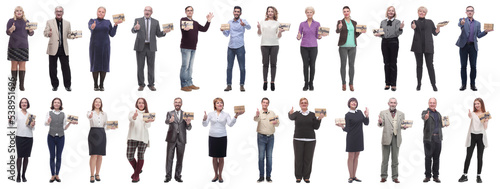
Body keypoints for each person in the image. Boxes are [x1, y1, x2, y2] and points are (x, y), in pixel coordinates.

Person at [202, 97, 243, 183]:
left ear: (223, 105)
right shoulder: (210, 114)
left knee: (221, 158)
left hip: (222, 137)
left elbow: (230, 124)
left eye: (221, 103)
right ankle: (215, 175)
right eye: (217, 103)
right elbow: (205, 125)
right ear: (214, 105)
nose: (220, 104)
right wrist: (204, 119)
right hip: (212, 137)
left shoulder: (226, 114)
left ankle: (220, 175)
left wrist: (236, 116)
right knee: (214, 158)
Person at [132, 6, 170, 91]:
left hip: (151, 47)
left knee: (151, 66)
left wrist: (164, 32)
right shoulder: (138, 20)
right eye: (146, 10)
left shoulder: (156, 22)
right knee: (140, 67)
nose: (147, 12)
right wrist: (135, 28)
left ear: (151, 12)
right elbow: (132, 31)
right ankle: (141, 84)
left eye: (149, 10)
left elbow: (158, 34)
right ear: (143, 11)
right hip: (140, 47)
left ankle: (151, 84)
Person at [456, 6, 492, 91]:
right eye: (468, 11)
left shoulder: (477, 23)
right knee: (463, 66)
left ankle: (473, 85)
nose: (469, 12)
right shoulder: (462, 20)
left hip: (473, 47)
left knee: (473, 66)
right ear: (466, 12)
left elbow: (478, 35)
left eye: (471, 11)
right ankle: (463, 85)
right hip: (463, 46)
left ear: (473, 12)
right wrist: (462, 22)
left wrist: (486, 31)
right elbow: (459, 24)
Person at [288, 98, 324, 183]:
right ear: (300, 104)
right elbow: (291, 117)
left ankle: (306, 176)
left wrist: (319, 119)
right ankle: (298, 176)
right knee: (298, 159)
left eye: (305, 103)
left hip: (310, 140)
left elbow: (316, 127)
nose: (304, 104)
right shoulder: (296, 113)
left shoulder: (312, 114)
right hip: (298, 139)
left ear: (308, 104)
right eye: (302, 103)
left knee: (308, 159)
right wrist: (290, 113)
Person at [179, 6, 214, 92]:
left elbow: (204, 29)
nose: (190, 12)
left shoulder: (195, 23)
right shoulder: (183, 20)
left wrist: (208, 20)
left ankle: (190, 83)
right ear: (185, 12)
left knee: (190, 67)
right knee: (185, 66)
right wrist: (184, 28)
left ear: (193, 12)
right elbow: (182, 27)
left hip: (193, 47)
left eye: (191, 10)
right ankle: (184, 85)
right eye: (188, 10)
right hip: (185, 47)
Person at [336, 97, 369, 183]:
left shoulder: (360, 112)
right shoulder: (347, 115)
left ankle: (354, 176)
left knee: (357, 156)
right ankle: (350, 176)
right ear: (349, 104)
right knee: (351, 156)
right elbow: (347, 129)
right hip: (351, 137)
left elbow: (366, 123)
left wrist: (367, 115)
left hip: (359, 137)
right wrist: (342, 127)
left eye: (355, 102)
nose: (354, 103)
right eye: (352, 102)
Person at [88, 6, 122, 91]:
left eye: (103, 12)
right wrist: (92, 26)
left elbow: (112, 34)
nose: (101, 13)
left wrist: (115, 25)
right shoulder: (92, 20)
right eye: (99, 11)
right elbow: (90, 27)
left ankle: (102, 84)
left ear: (105, 13)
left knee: (104, 64)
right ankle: (95, 84)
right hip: (94, 46)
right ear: (97, 12)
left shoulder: (107, 22)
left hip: (105, 47)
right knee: (95, 65)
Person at [45, 97, 77, 182]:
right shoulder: (49, 113)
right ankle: (52, 175)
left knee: (59, 156)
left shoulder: (63, 114)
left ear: (60, 104)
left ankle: (57, 175)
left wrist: (70, 123)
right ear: (52, 104)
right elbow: (46, 124)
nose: (56, 104)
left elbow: (64, 128)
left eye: (58, 102)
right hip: (51, 137)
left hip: (61, 137)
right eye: (55, 102)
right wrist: (48, 121)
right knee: (52, 156)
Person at [43, 6, 75, 92]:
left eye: (60, 11)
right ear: (55, 12)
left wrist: (73, 36)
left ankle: (67, 85)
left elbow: (68, 34)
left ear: (63, 13)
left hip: (63, 48)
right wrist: (48, 33)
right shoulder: (49, 22)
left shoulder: (67, 23)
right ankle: (55, 85)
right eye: (57, 11)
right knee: (53, 68)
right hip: (53, 48)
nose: (59, 13)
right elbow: (45, 33)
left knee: (66, 68)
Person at [411, 6, 442, 92]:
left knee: (430, 66)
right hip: (418, 47)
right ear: (418, 12)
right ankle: (419, 84)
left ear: (425, 13)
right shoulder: (414, 21)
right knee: (419, 66)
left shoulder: (430, 22)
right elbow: (413, 27)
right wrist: (413, 26)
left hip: (428, 46)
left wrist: (438, 27)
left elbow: (435, 33)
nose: (421, 13)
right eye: (420, 11)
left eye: (423, 12)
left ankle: (434, 85)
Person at [458, 98, 489, 183]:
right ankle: (465, 175)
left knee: (480, 157)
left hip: (481, 137)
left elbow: (485, 128)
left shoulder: (485, 114)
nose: (476, 105)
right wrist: (469, 115)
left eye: (478, 103)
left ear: (481, 104)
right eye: (475, 104)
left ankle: (478, 176)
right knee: (468, 156)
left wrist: (486, 121)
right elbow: (470, 116)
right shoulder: (472, 113)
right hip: (472, 136)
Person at [297, 7, 326, 91]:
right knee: (305, 65)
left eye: (310, 12)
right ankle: (306, 83)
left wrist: (321, 36)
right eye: (307, 12)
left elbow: (318, 36)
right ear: (305, 13)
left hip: (313, 47)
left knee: (312, 65)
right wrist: (298, 37)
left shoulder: (317, 24)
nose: (309, 14)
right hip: (304, 47)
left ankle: (311, 83)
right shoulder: (302, 24)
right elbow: (299, 35)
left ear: (313, 13)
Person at [336, 6, 365, 92]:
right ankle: (343, 83)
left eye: (347, 11)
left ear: (350, 12)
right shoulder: (340, 21)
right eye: (344, 11)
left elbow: (355, 35)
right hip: (343, 46)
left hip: (353, 46)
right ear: (343, 13)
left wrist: (361, 32)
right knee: (343, 65)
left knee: (351, 65)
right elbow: (337, 31)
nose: (346, 12)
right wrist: (340, 27)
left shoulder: (354, 22)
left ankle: (351, 83)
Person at [222, 6, 250, 92]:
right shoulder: (229, 22)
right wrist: (223, 30)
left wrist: (244, 25)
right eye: (235, 11)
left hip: (240, 47)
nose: (236, 13)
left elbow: (249, 27)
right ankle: (229, 85)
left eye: (238, 12)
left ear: (240, 13)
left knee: (242, 67)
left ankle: (242, 85)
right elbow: (227, 34)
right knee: (229, 67)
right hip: (231, 47)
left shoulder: (243, 21)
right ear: (233, 12)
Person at [375, 6, 404, 91]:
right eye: (389, 11)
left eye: (392, 11)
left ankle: (394, 84)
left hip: (393, 42)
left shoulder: (397, 22)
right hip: (384, 42)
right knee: (386, 63)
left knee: (393, 63)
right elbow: (382, 33)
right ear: (387, 12)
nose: (391, 12)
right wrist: (378, 34)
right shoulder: (383, 22)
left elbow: (398, 33)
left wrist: (400, 28)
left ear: (394, 13)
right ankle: (387, 83)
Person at [377, 98, 406, 183]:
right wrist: (380, 122)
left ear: (396, 103)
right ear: (388, 103)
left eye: (394, 103)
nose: (393, 104)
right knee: (385, 159)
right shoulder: (383, 112)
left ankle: (395, 177)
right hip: (386, 138)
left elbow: (402, 125)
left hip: (396, 138)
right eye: (391, 103)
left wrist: (404, 127)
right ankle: (383, 176)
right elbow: (380, 125)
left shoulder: (401, 114)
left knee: (395, 159)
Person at [164, 97, 192, 183]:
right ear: (173, 103)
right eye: (176, 102)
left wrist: (188, 123)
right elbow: (166, 121)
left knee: (180, 159)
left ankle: (178, 176)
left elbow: (189, 128)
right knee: (169, 158)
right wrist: (170, 120)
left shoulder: (186, 114)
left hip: (181, 139)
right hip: (171, 138)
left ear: (181, 104)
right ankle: (168, 176)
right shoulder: (169, 113)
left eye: (179, 102)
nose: (177, 104)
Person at [7, 6, 34, 91]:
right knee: (14, 65)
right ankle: (13, 85)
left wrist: (30, 31)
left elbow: (31, 34)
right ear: (15, 12)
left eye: (20, 11)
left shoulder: (27, 22)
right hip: (13, 45)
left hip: (23, 46)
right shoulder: (11, 21)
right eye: (17, 11)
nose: (19, 12)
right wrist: (11, 29)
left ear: (23, 12)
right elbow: (7, 32)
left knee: (22, 65)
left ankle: (21, 85)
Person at [127, 98, 154, 183]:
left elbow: (148, 126)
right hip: (132, 137)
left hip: (143, 137)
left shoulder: (147, 114)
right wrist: (134, 116)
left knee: (140, 156)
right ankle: (137, 170)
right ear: (137, 104)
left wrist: (148, 121)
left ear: (145, 104)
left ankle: (136, 175)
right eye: (139, 103)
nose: (141, 104)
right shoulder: (132, 112)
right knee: (129, 156)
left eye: (143, 103)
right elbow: (131, 119)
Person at [258, 6, 284, 91]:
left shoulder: (277, 23)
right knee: (265, 64)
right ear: (266, 13)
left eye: (271, 11)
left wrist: (280, 31)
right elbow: (259, 34)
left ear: (274, 13)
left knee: (273, 64)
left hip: (274, 45)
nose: (270, 13)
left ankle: (272, 82)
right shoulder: (262, 22)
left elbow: (278, 36)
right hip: (264, 44)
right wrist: (258, 28)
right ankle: (265, 82)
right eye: (268, 11)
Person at [422, 98, 448, 183]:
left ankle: (436, 176)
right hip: (429, 139)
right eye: (430, 103)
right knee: (428, 158)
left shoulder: (438, 114)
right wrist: (426, 117)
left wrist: (445, 124)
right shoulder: (425, 112)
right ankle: (428, 176)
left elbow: (440, 125)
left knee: (436, 158)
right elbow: (424, 117)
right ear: (428, 103)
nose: (432, 104)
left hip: (438, 138)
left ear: (436, 104)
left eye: (433, 103)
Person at [253, 97, 280, 182]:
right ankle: (261, 176)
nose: (265, 104)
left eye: (266, 103)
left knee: (269, 157)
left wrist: (276, 122)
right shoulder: (259, 113)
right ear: (261, 103)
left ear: (268, 104)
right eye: (263, 102)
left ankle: (268, 176)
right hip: (261, 137)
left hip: (271, 137)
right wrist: (257, 115)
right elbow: (255, 119)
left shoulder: (272, 113)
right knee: (261, 157)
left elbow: (277, 124)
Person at [87, 97, 111, 183]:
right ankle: (92, 174)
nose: (98, 103)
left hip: (102, 133)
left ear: (101, 104)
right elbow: (89, 117)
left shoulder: (104, 114)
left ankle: (97, 173)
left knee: (100, 155)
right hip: (93, 133)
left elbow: (106, 125)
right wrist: (90, 116)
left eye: (99, 102)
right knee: (93, 155)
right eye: (96, 102)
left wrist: (111, 127)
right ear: (93, 103)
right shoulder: (90, 112)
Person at [15, 98, 35, 182]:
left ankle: (24, 175)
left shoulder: (30, 115)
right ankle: (18, 175)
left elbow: (32, 128)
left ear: (27, 104)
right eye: (22, 102)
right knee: (19, 156)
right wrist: (10, 120)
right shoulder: (17, 114)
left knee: (26, 157)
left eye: (25, 102)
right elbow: (11, 123)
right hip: (19, 137)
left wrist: (33, 125)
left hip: (29, 137)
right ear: (20, 104)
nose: (24, 104)